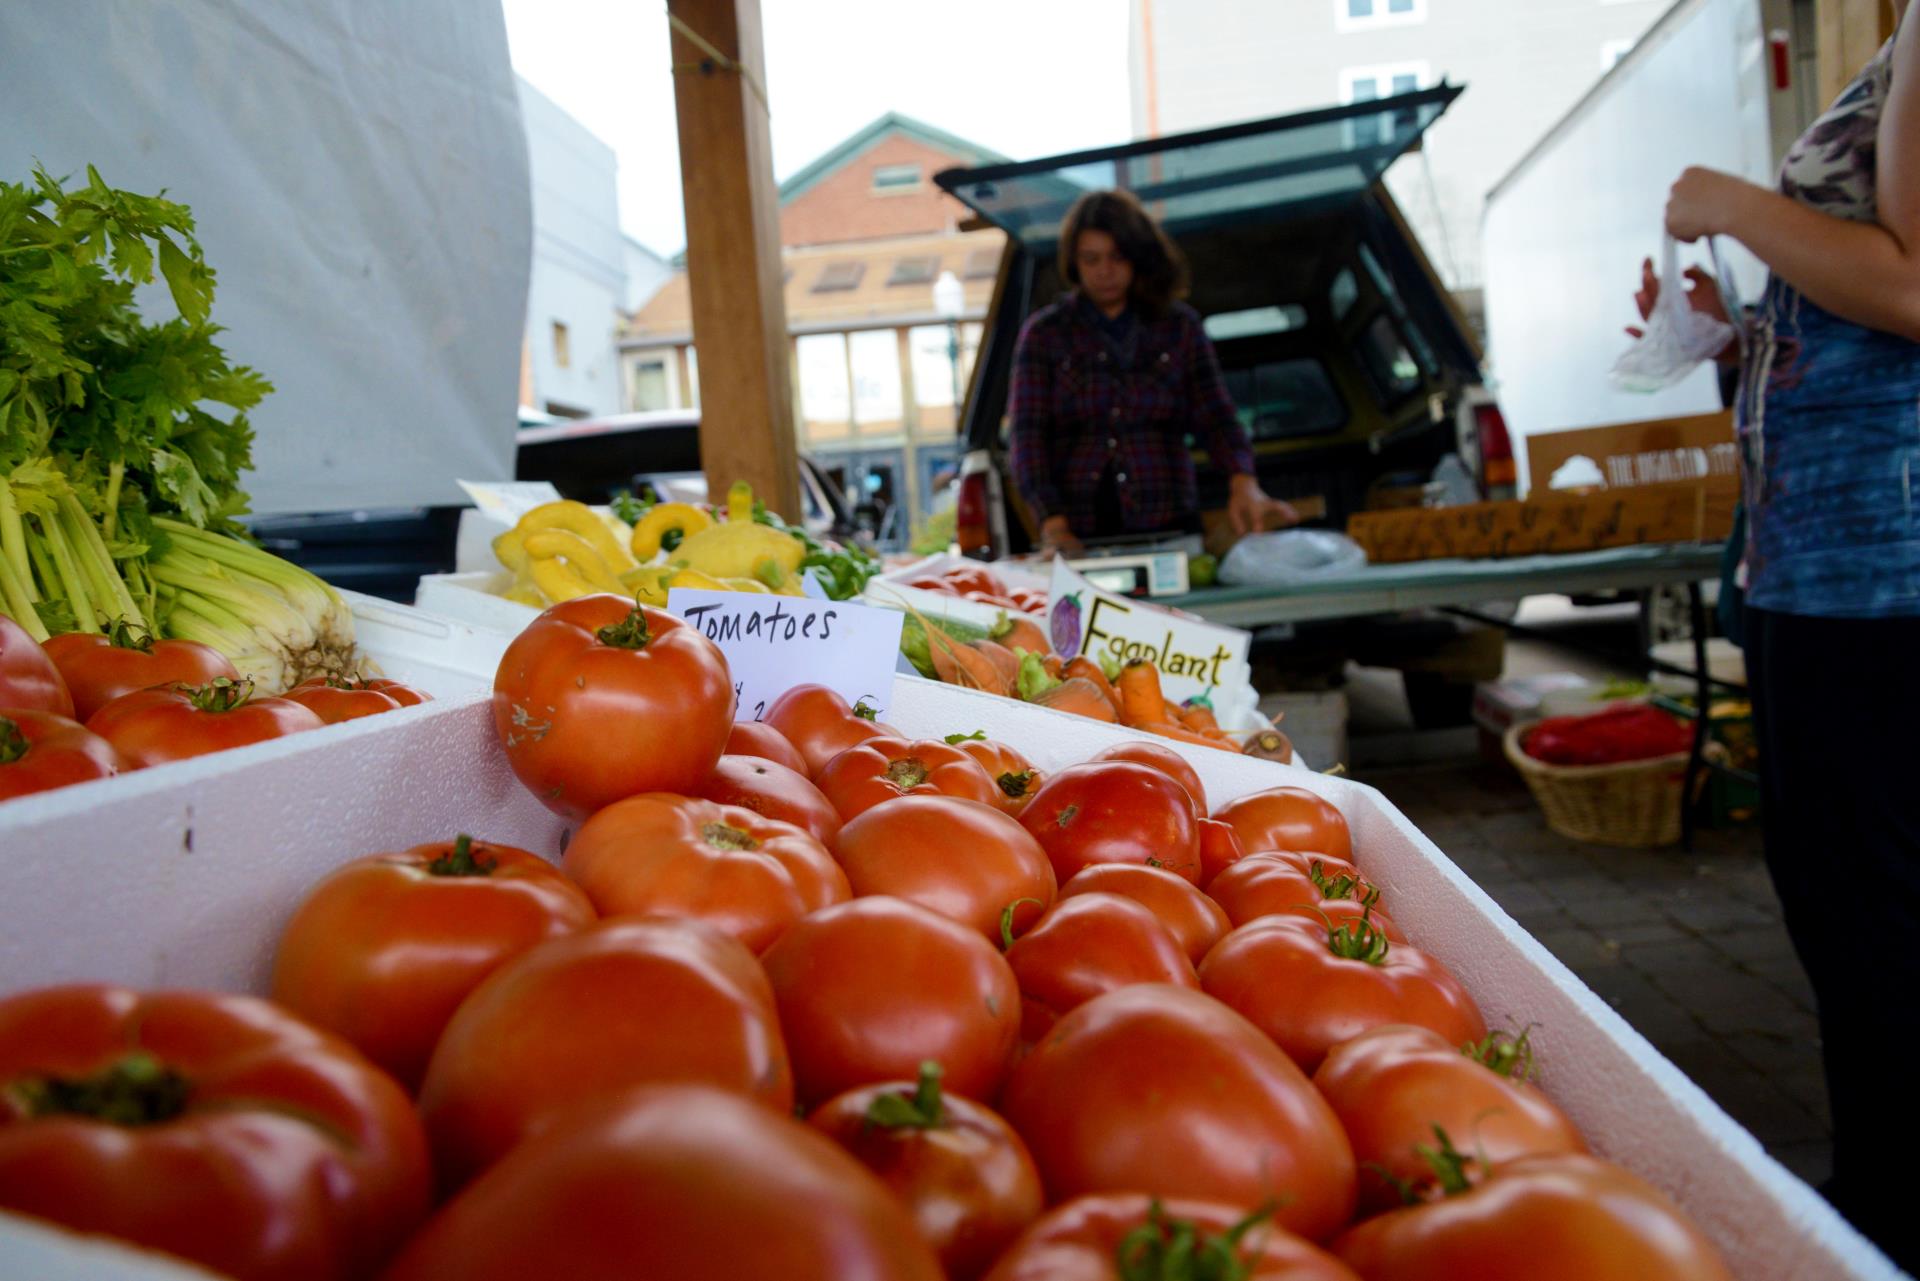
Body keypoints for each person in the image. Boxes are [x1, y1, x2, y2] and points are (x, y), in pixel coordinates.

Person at [1636, 2, 1918, 1264]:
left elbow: (1913, 282)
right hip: (1829, 566)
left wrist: (1741, 205)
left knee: (1876, 916)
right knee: (1847, 907)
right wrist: (1740, 337)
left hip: (1879, 578)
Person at [1007, 189, 1297, 554]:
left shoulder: (1180, 327)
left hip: (1172, 529)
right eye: (1091, 259)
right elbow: (1027, 440)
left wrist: (1244, 481)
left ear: (1138, 257)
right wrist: (1053, 524)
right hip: (1080, 538)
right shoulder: (1044, 335)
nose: (1104, 271)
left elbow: (1217, 416)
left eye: (1116, 257)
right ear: (1074, 263)